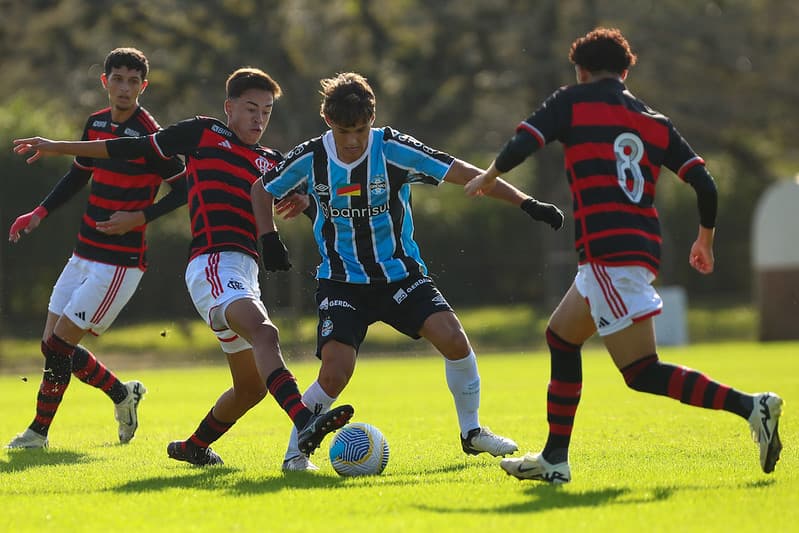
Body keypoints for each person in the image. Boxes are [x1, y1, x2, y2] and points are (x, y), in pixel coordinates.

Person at [465, 27, 783, 483]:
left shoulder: (571, 101)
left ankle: (753, 406)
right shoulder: (654, 121)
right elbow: (705, 183)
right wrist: (704, 240)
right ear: (625, 72)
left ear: (581, 70)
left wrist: (490, 174)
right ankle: (554, 458)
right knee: (561, 337)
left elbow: (525, 141)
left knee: (641, 372)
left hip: (607, 253)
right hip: (631, 251)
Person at [12, 67, 354, 466]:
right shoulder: (203, 133)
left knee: (250, 388)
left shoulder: (271, 162)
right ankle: (304, 420)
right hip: (212, 263)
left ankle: (193, 446)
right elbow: (133, 148)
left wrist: (307, 202)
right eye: (250, 109)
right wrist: (58, 146)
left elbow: (322, 207)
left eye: (266, 111)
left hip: (245, 274)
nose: (258, 119)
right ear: (229, 108)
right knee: (265, 332)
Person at [251, 72, 565, 471]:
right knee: (334, 374)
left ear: (372, 119)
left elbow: (464, 173)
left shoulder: (392, 149)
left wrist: (527, 203)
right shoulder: (311, 157)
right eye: (345, 131)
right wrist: (268, 238)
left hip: (400, 276)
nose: (353, 141)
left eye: (361, 129)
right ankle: (295, 457)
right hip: (342, 283)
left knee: (454, 339)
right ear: (328, 121)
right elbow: (261, 189)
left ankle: (472, 431)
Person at [6, 48, 186, 449]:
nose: (124, 87)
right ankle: (123, 394)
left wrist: (141, 217)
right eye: (117, 79)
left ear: (143, 86)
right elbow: (78, 175)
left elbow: (185, 189)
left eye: (133, 81)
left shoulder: (151, 136)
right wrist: (39, 212)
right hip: (83, 252)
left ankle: (37, 433)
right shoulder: (96, 123)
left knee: (60, 346)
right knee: (51, 346)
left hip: (119, 262)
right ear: (105, 81)